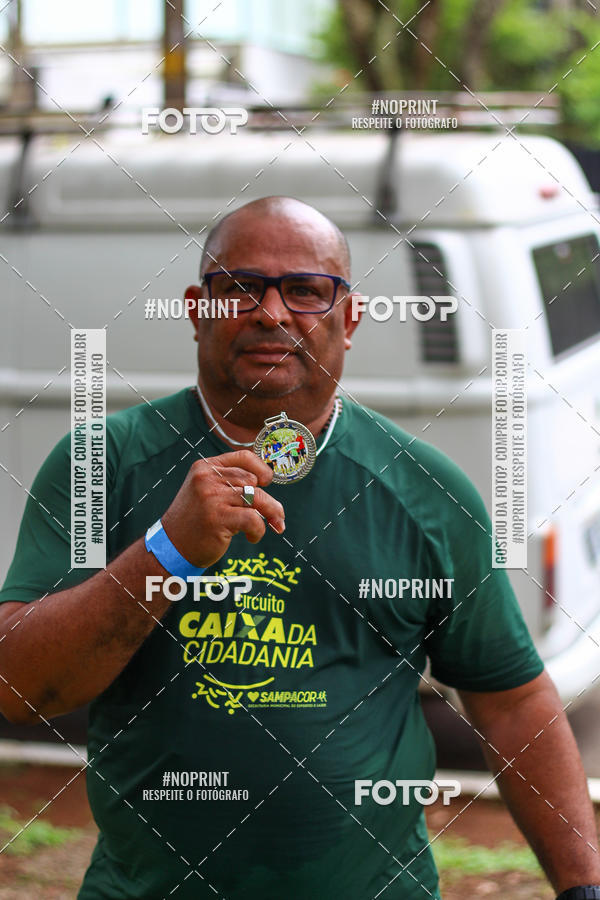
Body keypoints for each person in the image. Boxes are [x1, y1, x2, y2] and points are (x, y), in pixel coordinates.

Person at [0, 196, 598, 900]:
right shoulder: (100, 464)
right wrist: (167, 550)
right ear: (197, 309)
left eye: (307, 291)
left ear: (349, 319)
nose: (272, 313)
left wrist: (582, 885)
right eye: (240, 288)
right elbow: (20, 687)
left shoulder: (427, 491)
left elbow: (512, 701)